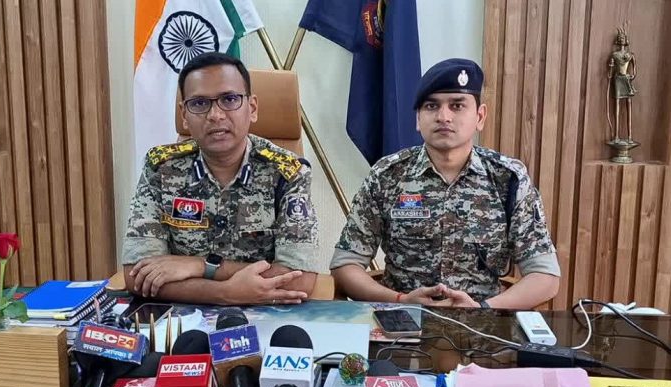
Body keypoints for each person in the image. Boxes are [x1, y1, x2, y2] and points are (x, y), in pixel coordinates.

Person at [330, 58, 560, 309]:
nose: (443, 117)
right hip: (402, 320)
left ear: (480, 116)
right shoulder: (387, 176)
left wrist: (482, 309)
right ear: (418, 119)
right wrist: (401, 300)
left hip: (482, 324)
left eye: (457, 105)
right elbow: (345, 264)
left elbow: (545, 276)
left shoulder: (508, 179)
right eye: (431, 106)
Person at [122, 52, 319, 305]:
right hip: (182, 318)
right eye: (199, 103)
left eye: (229, 99)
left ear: (252, 108)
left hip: (267, 316)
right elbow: (137, 274)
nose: (215, 115)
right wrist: (226, 293)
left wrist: (200, 266)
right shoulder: (161, 168)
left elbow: (299, 279)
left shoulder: (288, 173)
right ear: (184, 115)